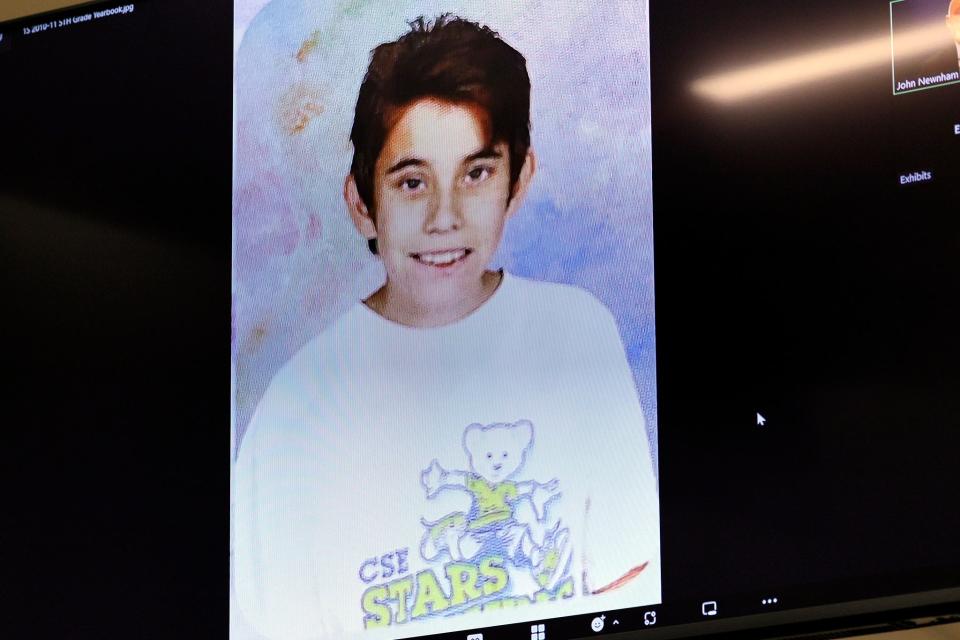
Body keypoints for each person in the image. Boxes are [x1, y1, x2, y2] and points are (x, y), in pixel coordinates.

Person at [232, 15, 660, 640]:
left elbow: (635, 586)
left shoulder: (577, 333)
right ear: (361, 203)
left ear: (519, 182)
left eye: (476, 173)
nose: (444, 218)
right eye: (412, 182)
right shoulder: (296, 408)